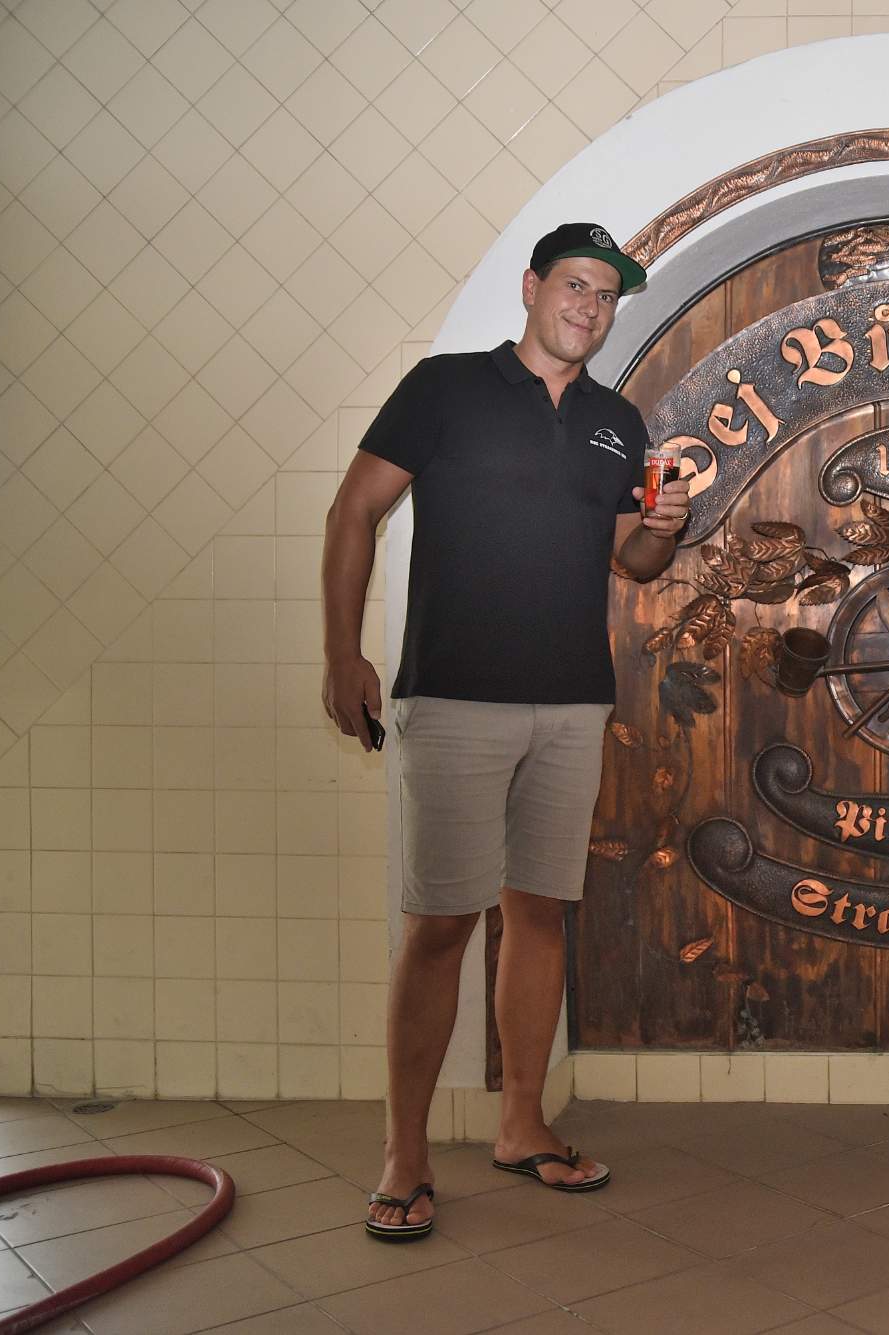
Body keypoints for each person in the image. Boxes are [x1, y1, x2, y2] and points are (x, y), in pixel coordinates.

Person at [321, 223, 689, 1242]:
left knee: (539, 914)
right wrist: (342, 654)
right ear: (531, 288)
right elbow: (353, 512)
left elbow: (632, 561)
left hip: (571, 702)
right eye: (574, 284)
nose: (589, 306)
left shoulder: (617, 423)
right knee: (440, 924)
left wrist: (662, 530)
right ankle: (403, 1153)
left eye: (605, 295)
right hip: (454, 698)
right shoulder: (444, 388)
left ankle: (522, 1124)